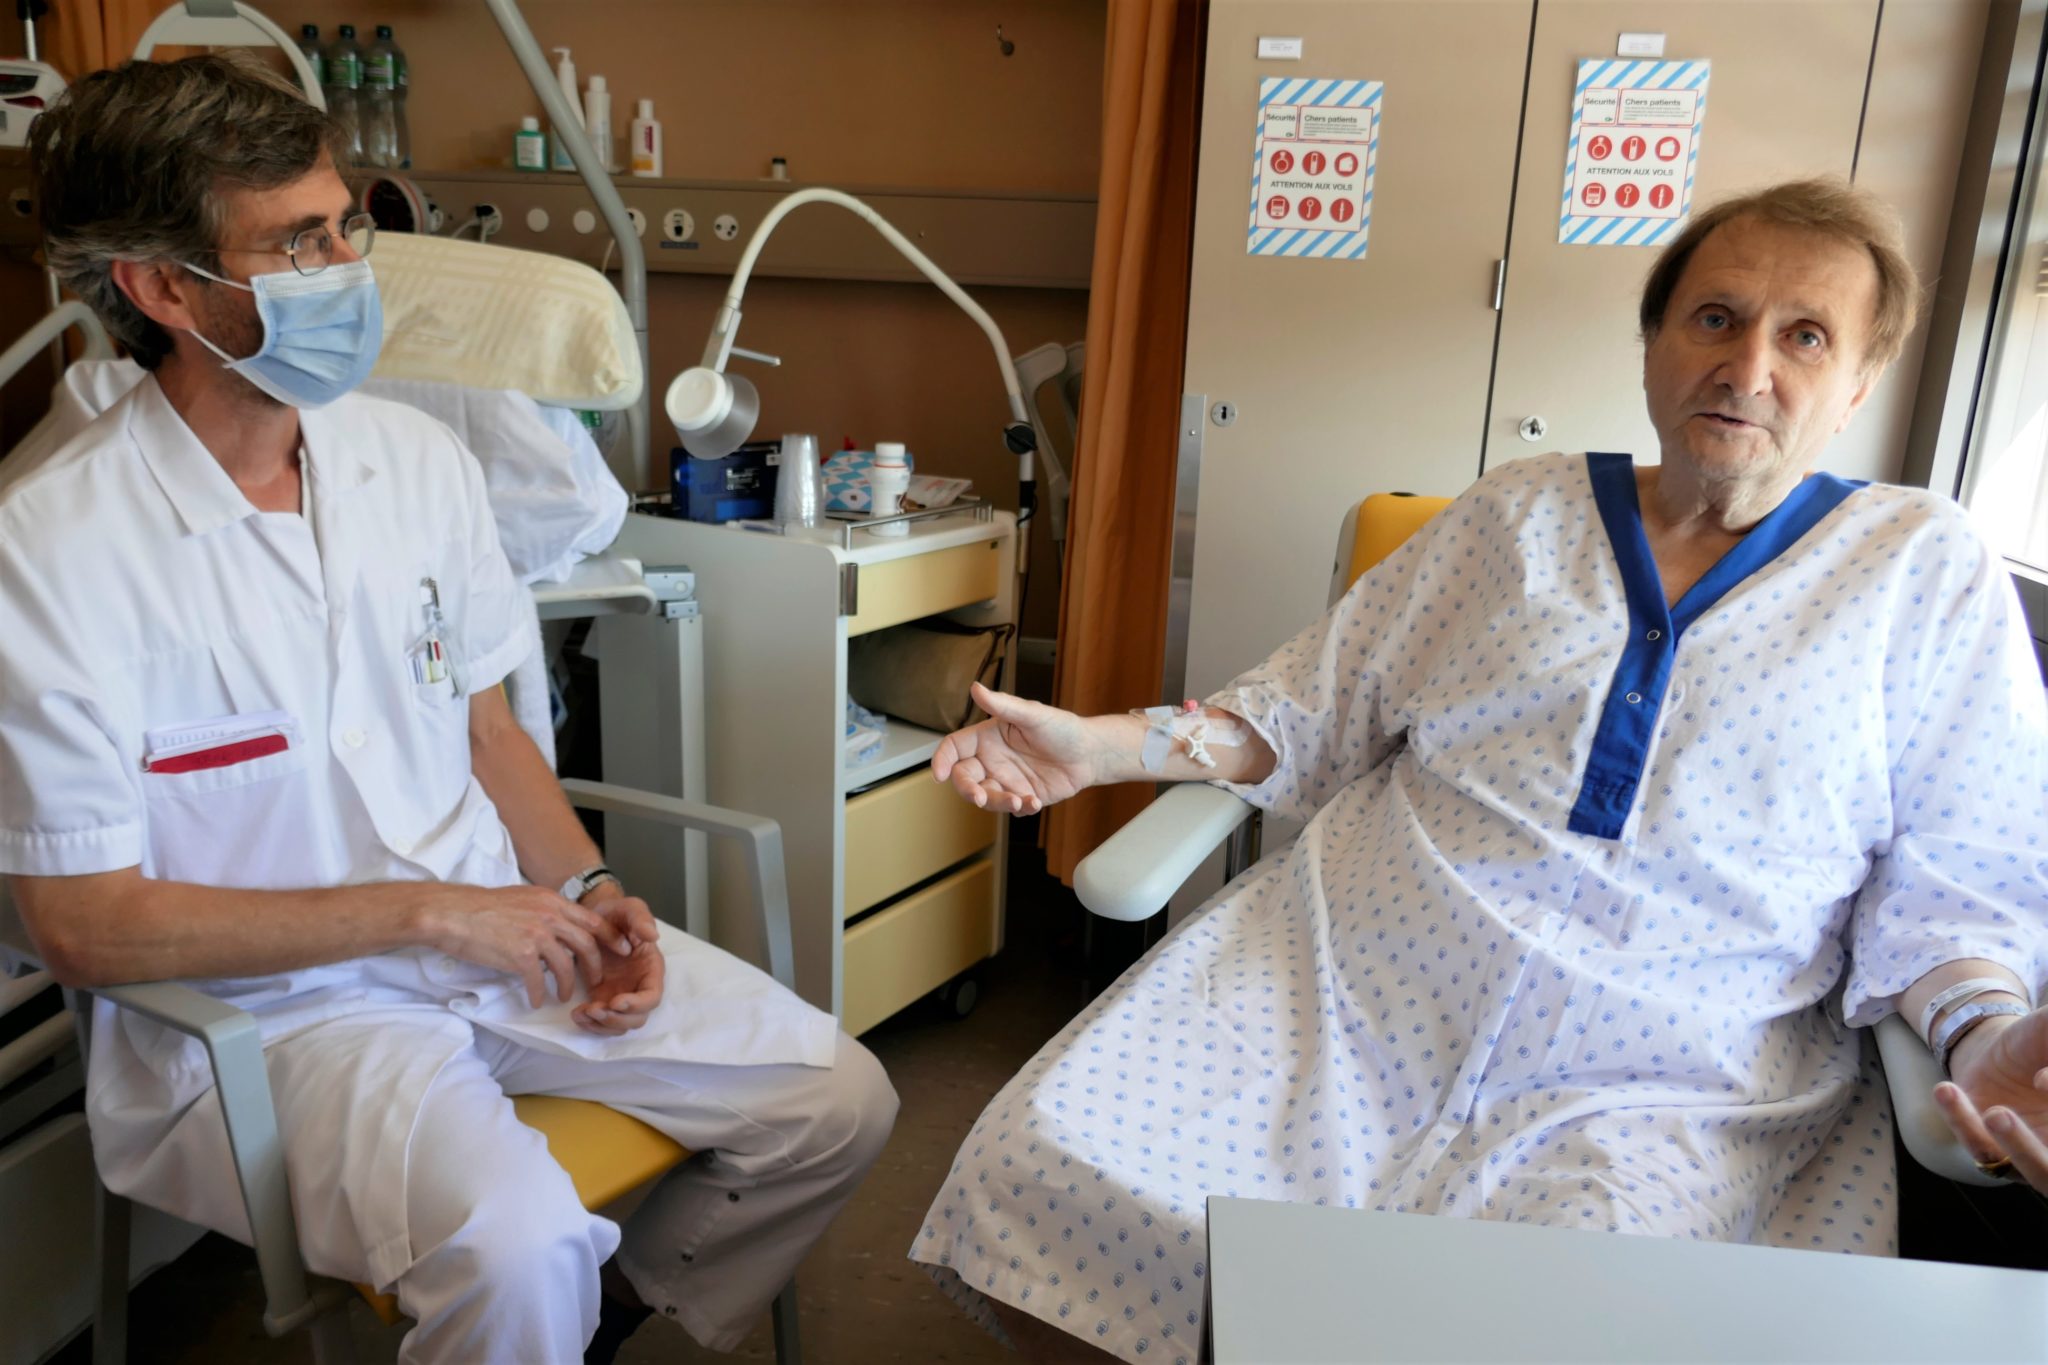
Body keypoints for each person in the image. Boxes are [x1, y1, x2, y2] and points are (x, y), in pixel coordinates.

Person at [913, 179, 2048, 1364]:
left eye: (1803, 335)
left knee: (1576, 1316)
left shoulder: (1921, 568)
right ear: (1655, 345)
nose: (1746, 365)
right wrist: (1100, 746)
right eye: (1712, 318)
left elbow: (1958, 871)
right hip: (1345, 990)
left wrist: (1979, 1033)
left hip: (1670, 1072)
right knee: (1056, 1161)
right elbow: (1311, 708)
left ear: (1858, 380)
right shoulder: (1517, 512)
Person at [2, 56, 896, 1364]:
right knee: (518, 1243)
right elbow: (82, 927)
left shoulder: (413, 464)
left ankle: (598, 1325)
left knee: (839, 1099)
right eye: (297, 242)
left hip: (500, 932)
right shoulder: (56, 546)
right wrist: (432, 912)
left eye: (345, 225)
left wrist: (589, 892)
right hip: (283, 1021)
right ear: (162, 287)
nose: (349, 268)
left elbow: (484, 728)